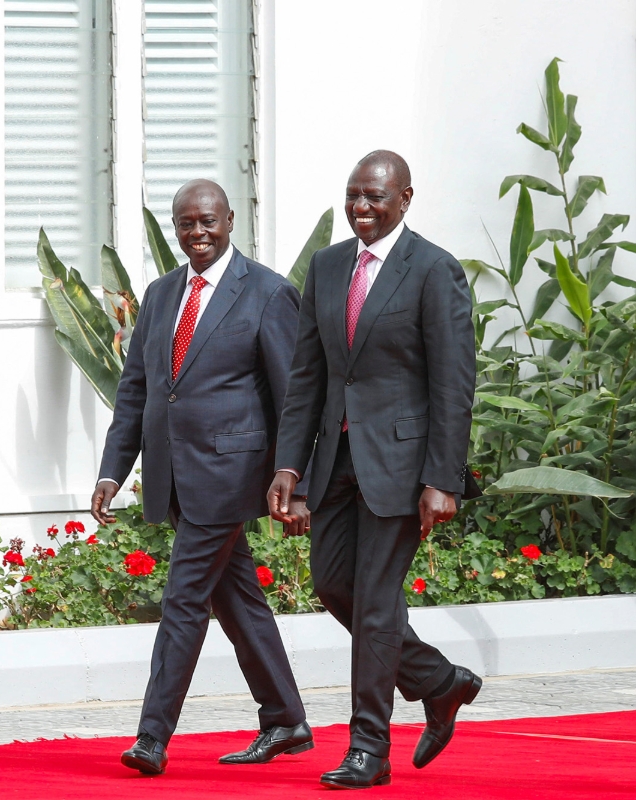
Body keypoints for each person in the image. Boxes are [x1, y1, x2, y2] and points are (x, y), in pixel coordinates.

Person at [267, 151, 482, 790]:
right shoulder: (329, 268)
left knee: (378, 604)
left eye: (375, 198)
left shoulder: (434, 270)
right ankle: (440, 682)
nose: (361, 208)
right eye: (353, 195)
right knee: (336, 586)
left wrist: (442, 478)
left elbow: (454, 384)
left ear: (406, 199)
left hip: (403, 467)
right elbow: (307, 375)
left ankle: (369, 747)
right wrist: (290, 465)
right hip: (334, 464)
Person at [93, 179, 312, 776]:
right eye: (186, 223)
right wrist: (115, 470)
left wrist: (300, 484)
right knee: (237, 598)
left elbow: (294, 399)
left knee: (183, 598)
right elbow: (136, 390)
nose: (198, 232)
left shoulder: (267, 293)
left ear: (230, 219)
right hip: (174, 476)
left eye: (208, 221)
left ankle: (152, 736)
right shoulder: (162, 294)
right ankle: (286, 719)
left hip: (231, 474)